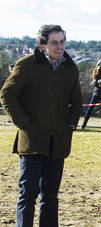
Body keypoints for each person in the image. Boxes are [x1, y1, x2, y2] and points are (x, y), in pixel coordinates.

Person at [0, 24, 82, 227]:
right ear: (42, 44)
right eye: (54, 42)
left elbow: (77, 100)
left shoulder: (70, 67)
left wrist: (70, 124)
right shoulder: (26, 64)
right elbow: (7, 94)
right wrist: (24, 123)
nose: (60, 46)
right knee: (28, 194)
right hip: (32, 142)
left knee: (51, 196)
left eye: (62, 41)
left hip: (59, 142)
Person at [81, 59, 101, 129]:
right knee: (90, 108)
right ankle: (84, 124)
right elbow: (95, 81)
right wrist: (95, 82)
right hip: (97, 92)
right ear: (98, 65)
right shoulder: (96, 71)